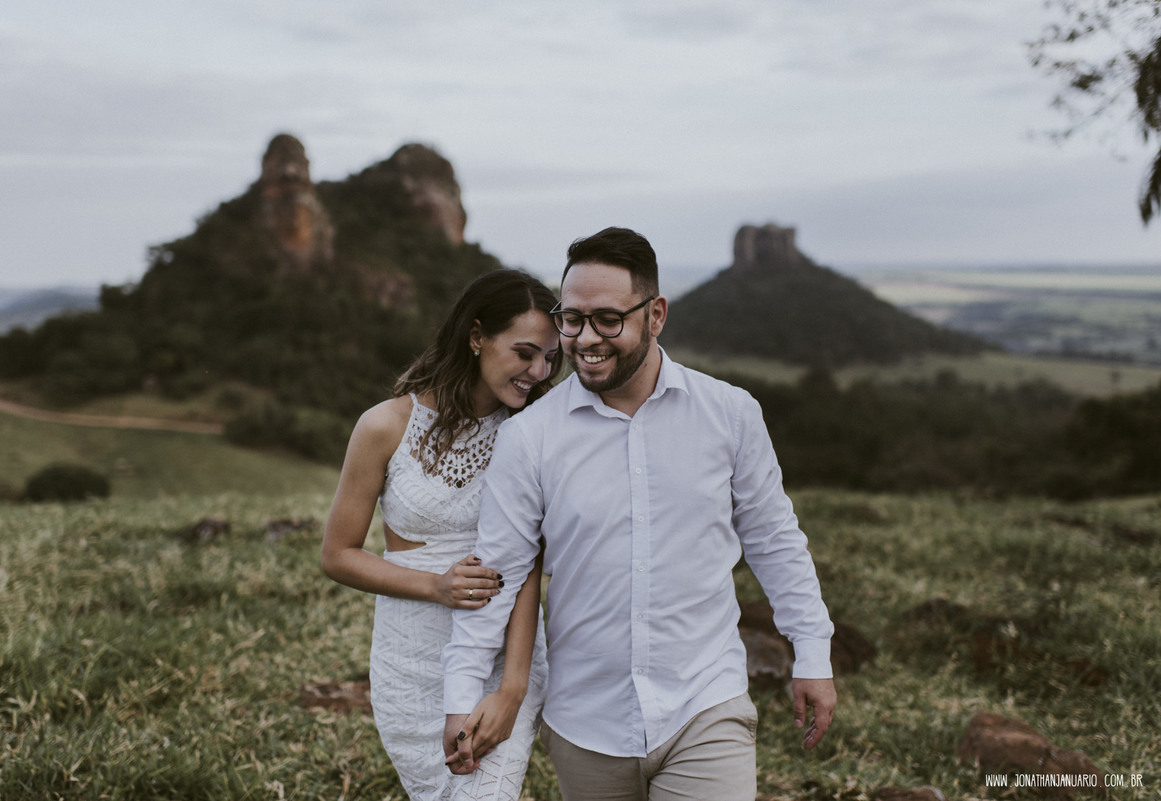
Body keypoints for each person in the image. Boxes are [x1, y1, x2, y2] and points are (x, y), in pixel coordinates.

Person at [442, 227, 837, 800]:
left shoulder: (730, 414)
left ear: (655, 315)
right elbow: (497, 575)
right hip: (585, 722)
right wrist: (462, 696)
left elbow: (774, 540)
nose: (584, 339)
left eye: (607, 319)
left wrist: (814, 653)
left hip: (706, 704)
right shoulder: (529, 437)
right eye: (571, 319)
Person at [321, 269, 562, 801]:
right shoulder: (385, 426)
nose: (538, 371)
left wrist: (513, 688)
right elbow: (337, 555)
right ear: (476, 337)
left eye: (549, 357)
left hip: (502, 654)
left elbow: (528, 570)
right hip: (409, 660)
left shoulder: (535, 434)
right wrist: (435, 586)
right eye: (524, 352)